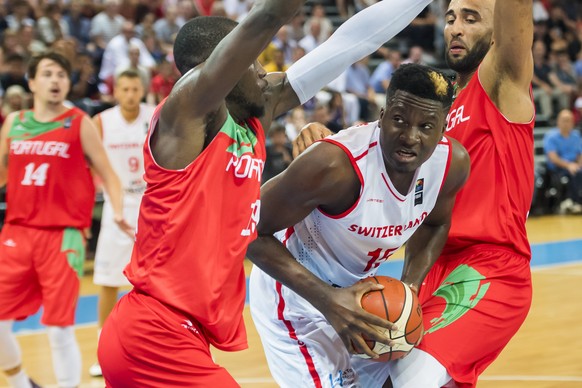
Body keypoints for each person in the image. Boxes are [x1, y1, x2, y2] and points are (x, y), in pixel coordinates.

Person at [96, 0, 442, 385]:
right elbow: (268, 15)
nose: (265, 71)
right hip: (153, 334)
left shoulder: (255, 114)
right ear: (221, 65)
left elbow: (348, 44)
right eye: (253, 60)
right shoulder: (184, 116)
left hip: (182, 336)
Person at [295, 0, 537, 386]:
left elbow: (516, 17)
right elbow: (373, 148)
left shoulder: (501, 85)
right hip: (429, 266)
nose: (456, 27)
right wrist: (319, 134)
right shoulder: (434, 115)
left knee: (409, 380)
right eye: (451, 18)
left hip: (488, 268)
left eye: (472, 18)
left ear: (496, 34)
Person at [248, 64, 470, 387]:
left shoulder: (451, 165)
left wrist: (410, 286)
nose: (410, 136)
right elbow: (248, 226)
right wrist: (328, 300)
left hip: (358, 298)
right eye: (399, 120)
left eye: (426, 126)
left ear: (443, 128)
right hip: (294, 300)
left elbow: (435, 224)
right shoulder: (335, 166)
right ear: (381, 115)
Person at [0, 51, 130, 388]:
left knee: (58, 327)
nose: (55, 80)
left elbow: (109, 175)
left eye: (61, 74)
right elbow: (2, 172)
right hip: (17, 232)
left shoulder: (77, 123)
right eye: (47, 74)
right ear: (31, 82)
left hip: (63, 236)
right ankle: (20, 383)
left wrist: (117, 210)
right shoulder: (14, 123)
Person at [89, 69, 155, 378]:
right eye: (124, 89)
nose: (130, 94)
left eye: (134, 88)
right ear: (116, 91)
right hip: (118, 205)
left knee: (154, 282)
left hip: (151, 206)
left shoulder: (155, 115)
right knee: (106, 279)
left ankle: (152, 346)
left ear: (142, 90)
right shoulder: (101, 121)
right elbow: (86, 161)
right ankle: (103, 347)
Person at [543, 109, 582, 214]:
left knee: (578, 172)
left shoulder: (576, 136)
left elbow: (580, 154)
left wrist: (578, 165)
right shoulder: (551, 136)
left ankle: (574, 202)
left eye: (569, 120)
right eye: (564, 120)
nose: (566, 123)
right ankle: (573, 201)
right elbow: (553, 157)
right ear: (558, 121)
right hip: (557, 168)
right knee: (574, 173)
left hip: (574, 166)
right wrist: (569, 165)